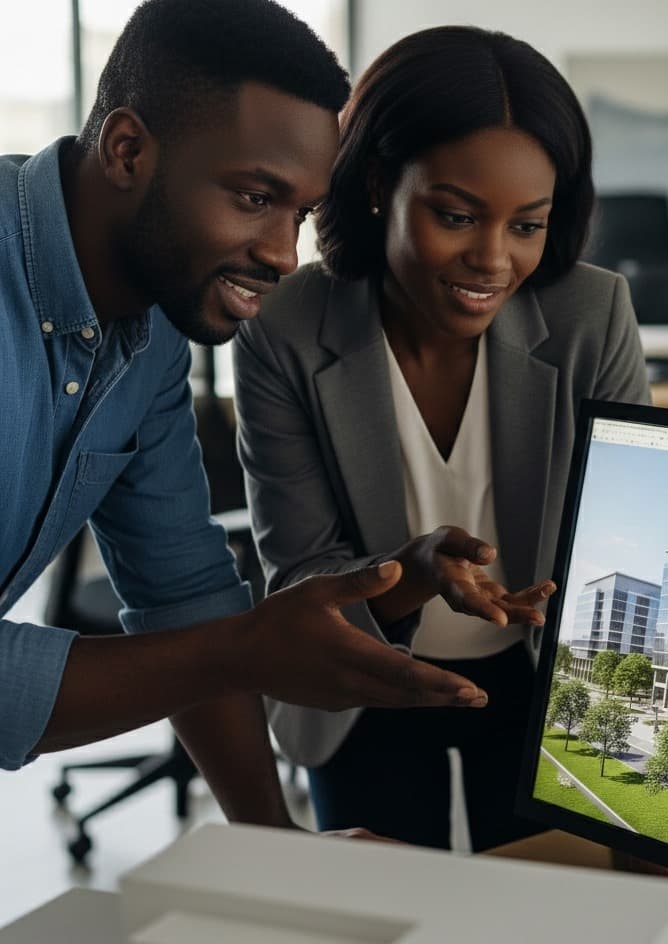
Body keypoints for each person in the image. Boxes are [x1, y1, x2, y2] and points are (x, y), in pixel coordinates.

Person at [0, 0, 493, 832]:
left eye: (298, 212)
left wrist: (276, 848)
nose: (282, 253)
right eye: (255, 197)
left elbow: (182, 590)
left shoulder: (150, 335)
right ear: (128, 150)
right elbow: (213, 642)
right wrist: (248, 647)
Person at [233, 25, 650, 851]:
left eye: (527, 225)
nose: (492, 260)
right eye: (457, 216)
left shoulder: (591, 316)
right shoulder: (285, 326)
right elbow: (301, 571)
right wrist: (414, 573)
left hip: (538, 689)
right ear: (382, 181)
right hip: (363, 685)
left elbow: (628, 534)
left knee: (549, 916)